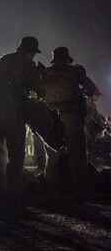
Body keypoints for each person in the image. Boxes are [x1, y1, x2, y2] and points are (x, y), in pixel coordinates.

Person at [0, 36, 45, 195]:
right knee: (16, 151)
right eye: (33, 53)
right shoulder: (27, 63)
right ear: (30, 52)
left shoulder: (3, 59)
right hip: (11, 111)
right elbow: (39, 89)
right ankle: (14, 188)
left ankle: (0, 185)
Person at [42, 46, 96, 196]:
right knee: (77, 154)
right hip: (71, 115)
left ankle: (51, 188)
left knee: (52, 155)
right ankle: (80, 189)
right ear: (66, 58)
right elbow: (91, 88)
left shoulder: (45, 73)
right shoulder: (74, 71)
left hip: (51, 117)